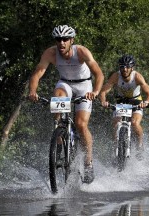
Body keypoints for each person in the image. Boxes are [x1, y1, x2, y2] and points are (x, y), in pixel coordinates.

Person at [28, 25, 104, 184]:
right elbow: (38, 72)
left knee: (81, 124)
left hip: (84, 85)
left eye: (65, 39)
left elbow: (98, 73)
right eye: (58, 39)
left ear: (72, 40)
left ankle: (88, 162)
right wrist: (33, 91)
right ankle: (60, 136)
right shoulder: (51, 53)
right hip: (65, 84)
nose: (61, 42)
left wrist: (95, 92)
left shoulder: (81, 52)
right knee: (58, 104)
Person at [99, 55, 149, 159]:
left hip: (136, 102)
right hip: (122, 102)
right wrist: (103, 101)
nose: (124, 69)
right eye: (122, 66)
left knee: (134, 123)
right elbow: (104, 90)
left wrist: (146, 102)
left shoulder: (137, 77)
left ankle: (140, 145)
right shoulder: (116, 76)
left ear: (132, 68)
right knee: (116, 122)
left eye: (127, 67)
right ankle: (116, 146)